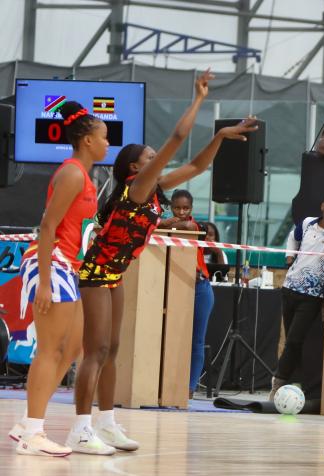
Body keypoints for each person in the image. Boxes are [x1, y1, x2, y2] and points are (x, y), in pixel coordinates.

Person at [68, 70, 259, 455]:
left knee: (114, 348)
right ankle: (80, 428)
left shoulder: (154, 189)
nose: (158, 159)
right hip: (94, 273)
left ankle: (107, 423)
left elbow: (197, 168)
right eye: (151, 157)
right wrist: (200, 99)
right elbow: (177, 139)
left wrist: (220, 136)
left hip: (115, 275)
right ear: (136, 168)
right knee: (97, 349)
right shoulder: (135, 189)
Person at [10, 101, 108, 456]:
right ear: (86, 141)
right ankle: (33, 433)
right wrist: (47, 283)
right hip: (49, 262)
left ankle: (26, 423)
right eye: (103, 137)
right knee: (50, 349)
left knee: (71, 349)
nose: (107, 144)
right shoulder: (71, 174)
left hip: (69, 266)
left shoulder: (87, 177)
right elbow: (48, 226)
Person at [269, 192, 324, 399]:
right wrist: (289, 256)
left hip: (313, 295)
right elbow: (292, 237)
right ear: (322, 206)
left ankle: (279, 382)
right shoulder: (307, 223)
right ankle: (291, 386)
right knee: (291, 341)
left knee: (295, 340)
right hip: (290, 288)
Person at [158, 189, 214, 399]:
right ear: (171, 207)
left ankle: (190, 387)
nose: (181, 212)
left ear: (191, 208)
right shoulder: (164, 225)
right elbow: (151, 226)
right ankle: (165, 384)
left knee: (196, 341)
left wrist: (167, 223)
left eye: (185, 208)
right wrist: (164, 223)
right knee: (170, 337)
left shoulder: (198, 226)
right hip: (171, 287)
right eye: (177, 208)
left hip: (200, 287)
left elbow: (188, 226)